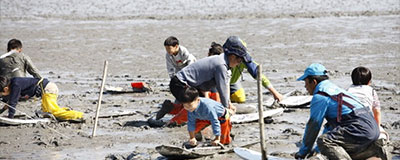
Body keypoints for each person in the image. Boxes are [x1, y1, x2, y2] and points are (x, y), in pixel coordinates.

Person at [295, 63, 381, 160]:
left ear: (314, 82)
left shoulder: (321, 95)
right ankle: (373, 152)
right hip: (372, 128)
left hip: (359, 128)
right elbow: (332, 127)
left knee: (324, 141)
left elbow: (314, 125)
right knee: (336, 146)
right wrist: (317, 151)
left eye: (305, 82)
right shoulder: (336, 90)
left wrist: (303, 153)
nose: (305, 86)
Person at [157, 36, 248, 125]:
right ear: (232, 56)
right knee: (195, 106)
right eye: (239, 61)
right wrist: (226, 109)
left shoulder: (222, 61)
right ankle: (173, 122)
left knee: (195, 104)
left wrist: (229, 104)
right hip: (180, 84)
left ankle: (171, 108)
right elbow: (222, 88)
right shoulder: (221, 65)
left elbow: (225, 85)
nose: (238, 64)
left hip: (185, 84)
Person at [207, 37, 283, 103]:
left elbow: (258, 74)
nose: (239, 60)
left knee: (240, 98)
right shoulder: (220, 58)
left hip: (232, 81)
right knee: (216, 99)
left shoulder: (244, 59)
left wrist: (275, 93)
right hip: (217, 81)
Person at [0, 76, 84, 121]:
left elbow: (13, 102)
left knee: (53, 113)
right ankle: (67, 111)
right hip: (46, 90)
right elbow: (10, 102)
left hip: (48, 89)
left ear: (5, 89)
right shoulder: (13, 82)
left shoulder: (15, 85)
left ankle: (80, 115)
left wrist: (10, 117)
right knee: (47, 112)